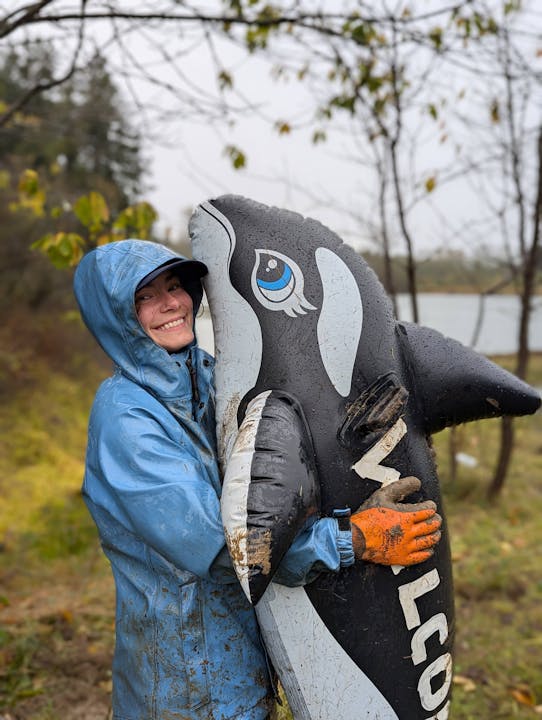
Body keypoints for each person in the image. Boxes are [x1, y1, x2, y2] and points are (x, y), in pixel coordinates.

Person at [74, 238, 441, 720]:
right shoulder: (127, 421)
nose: (171, 304)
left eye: (175, 287)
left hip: (240, 657)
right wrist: (352, 539)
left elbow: (269, 483)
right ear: (115, 316)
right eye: (145, 296)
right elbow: (230, 550)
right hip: (185, 678)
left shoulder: (208, 379)